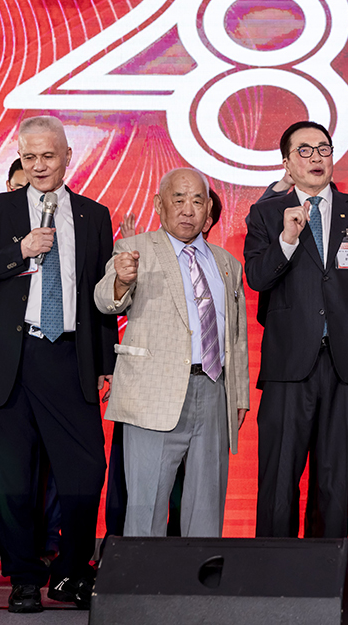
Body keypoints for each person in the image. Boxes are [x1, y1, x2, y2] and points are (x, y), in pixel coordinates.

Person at [0, 116, 118, 613]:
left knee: (86, 470)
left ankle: (70, 571)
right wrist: (19, 251)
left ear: (68, 156)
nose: (40, 166)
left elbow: (98, 296)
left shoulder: (93, 215)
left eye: (49, 156)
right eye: (30, 157)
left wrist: (106, 361)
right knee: (9, 478)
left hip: (69, 355)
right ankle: (24, 577)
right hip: (11, 356)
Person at [244, 120, 348, 539]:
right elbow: (257, 278)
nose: (316, 157)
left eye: (323, 149)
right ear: (287, 164)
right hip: (289, 364)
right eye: (304, 150)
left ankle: (325, 570)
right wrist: (287, 239)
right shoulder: (266, 214)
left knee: (336, 480)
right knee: (279, 479)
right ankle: (273, 569)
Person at [95, 168, 248, 537]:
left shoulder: (227, 263)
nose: (187, 209)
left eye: (197, 201)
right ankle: (140, 575)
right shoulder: (136, 249)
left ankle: (200, 574)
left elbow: (237, 336)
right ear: (158, 204)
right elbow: (105, 300)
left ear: (208, 209)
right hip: (153, 395)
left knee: (207, 507)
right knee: (146, 507)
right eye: (178, 199)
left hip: (213, 392)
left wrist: (239, 394)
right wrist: (121, 280)